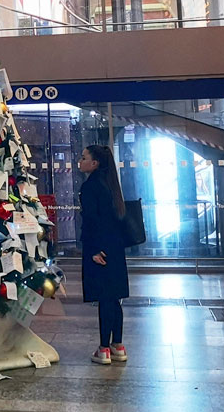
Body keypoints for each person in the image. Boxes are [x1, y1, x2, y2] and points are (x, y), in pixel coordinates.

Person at [79, 144, 130, 365]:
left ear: (94, 163)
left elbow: (91, 220)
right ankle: (118, 345)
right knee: (114, 298)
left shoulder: (91, 186)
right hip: (115, 247)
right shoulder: (112, 185)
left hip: (99, 248)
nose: (80, 161)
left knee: (104, 299)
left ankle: (103, 349)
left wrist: (92, 250)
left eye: (83, 158)